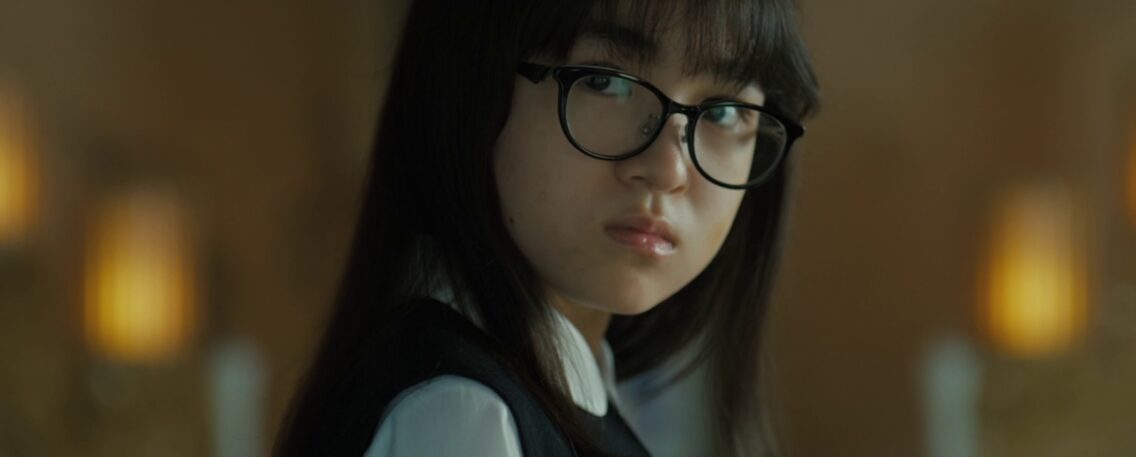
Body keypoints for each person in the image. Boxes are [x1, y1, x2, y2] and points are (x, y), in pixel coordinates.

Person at [274, 0, 819, 455]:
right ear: (470, 82)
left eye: (724, 111)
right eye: (605, 81)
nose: (668, 169)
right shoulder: (462, 415)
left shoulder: (555, 393)